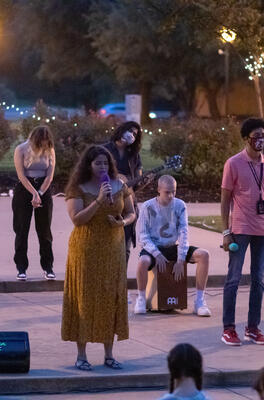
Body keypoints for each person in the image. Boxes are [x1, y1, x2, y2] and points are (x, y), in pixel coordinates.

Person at [62, 145, 135, 371]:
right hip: (86, 248)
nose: (103, 167)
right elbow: (77, 219)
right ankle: (81, 355)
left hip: (113, 249)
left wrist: (122, 222)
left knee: (110, 298)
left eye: (106, 163)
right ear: (88, 165)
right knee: (85, 298)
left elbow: (132, 212)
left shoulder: (119, 185)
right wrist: (99, 201)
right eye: (98, 163)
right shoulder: (78, 188)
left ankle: (109, 354)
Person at [221, 117, 264, 346]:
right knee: (233, 279)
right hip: (241, 228)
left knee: (259, 281)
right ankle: (228, 329)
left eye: (263, 136)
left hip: (263, 229)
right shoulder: (233, 163)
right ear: (246, 139)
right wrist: (226, 232)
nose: (260, 140)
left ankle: (253, 328)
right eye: (256, 137)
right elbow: (225, 201)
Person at [134, 175, 211, 316]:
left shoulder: (180, 205)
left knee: (204, 255)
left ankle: (199, 301)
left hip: (173, 247)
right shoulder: (147, 206)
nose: (171, 196)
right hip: (154, 248)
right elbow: (143, 236)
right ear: (158, 190)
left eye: (173, 192)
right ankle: (141, 298)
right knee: (142, 262)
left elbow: (183, 232)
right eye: (167, 192)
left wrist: (181, 259)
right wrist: (157, 254)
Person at [12, 125, 56, 281]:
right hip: (25, 189)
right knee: (22, 229)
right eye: (41, 143)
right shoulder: (21, 149)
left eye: (46, 142)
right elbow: (21, 175)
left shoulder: (50, 150)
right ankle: (21, 267)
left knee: (44, 231)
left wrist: (40, 194)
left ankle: (48, 267)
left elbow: (50, 176)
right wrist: (33, 193)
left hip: (43, 188)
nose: (43, 145)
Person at [104, 121, 146, 268]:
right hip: (108, 203)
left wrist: (144, 180)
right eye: (130, 131)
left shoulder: (134, 156)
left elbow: (137, 184)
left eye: (135, 134)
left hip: (128, 205)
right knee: (107, 245)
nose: (132, 135)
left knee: (125, 247)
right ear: (122, 129)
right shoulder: (104, 150)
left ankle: (120, 279)